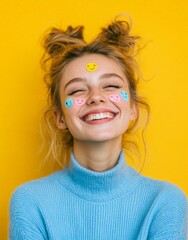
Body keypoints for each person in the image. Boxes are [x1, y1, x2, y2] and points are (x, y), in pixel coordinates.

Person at [9, 18, 187, 239]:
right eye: (76, 91)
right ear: (60, 118)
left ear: (133, 108)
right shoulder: (30, 201)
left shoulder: (165, 201)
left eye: (111, 85)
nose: (95, 97)